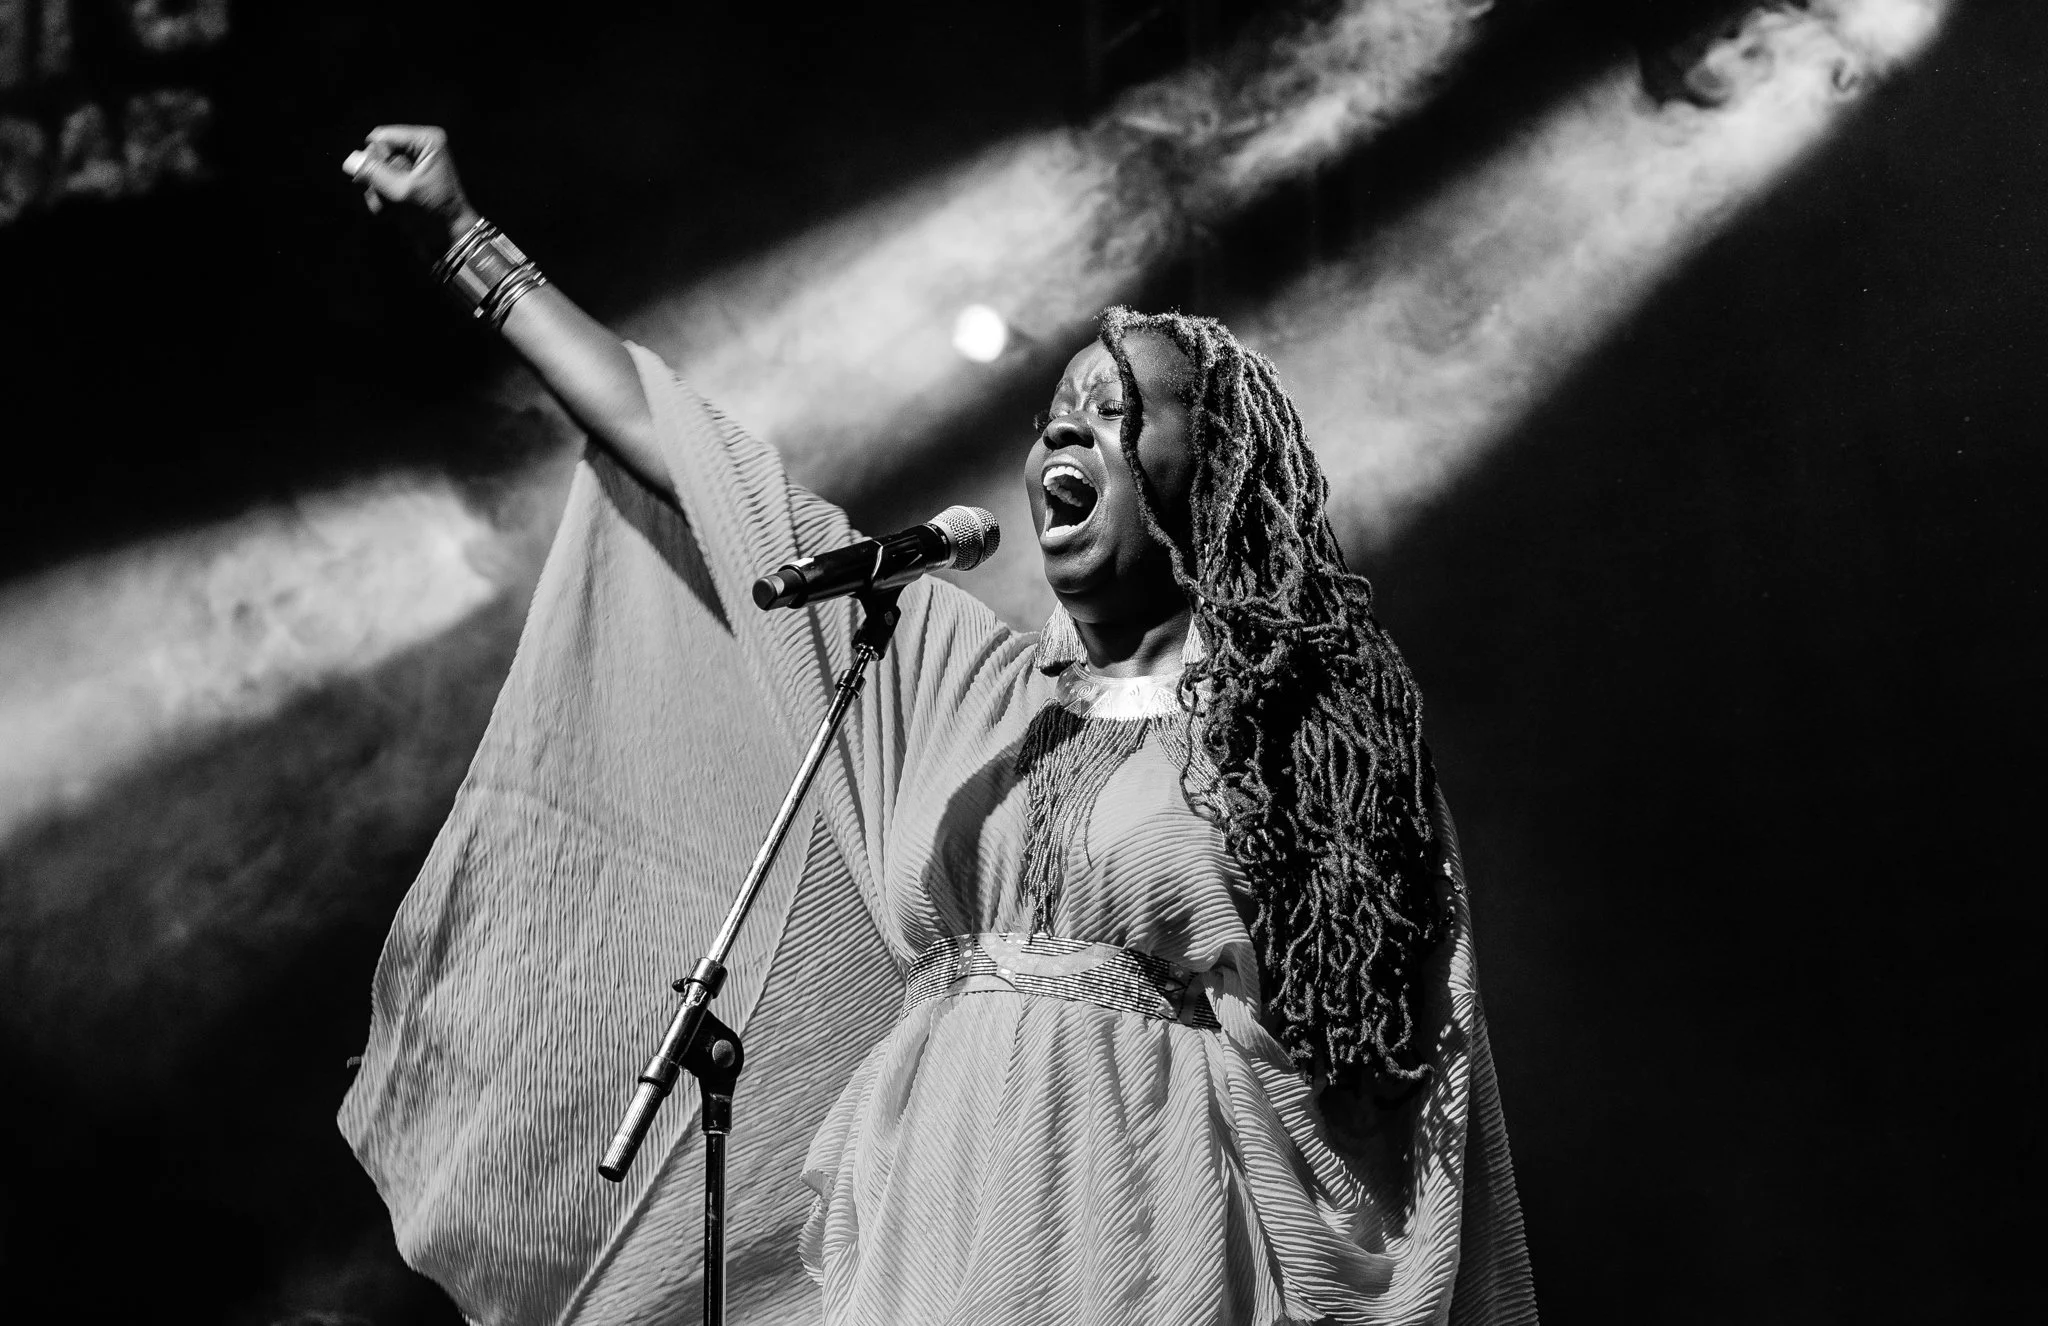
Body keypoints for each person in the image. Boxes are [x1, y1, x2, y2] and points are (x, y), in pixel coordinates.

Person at [339, 125, 1536, 1326]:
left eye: (1114, 412)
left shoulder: (1303, 735)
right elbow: (707, 477)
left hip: (1152, 1238)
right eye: (1050, 415)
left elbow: (1408, 1076)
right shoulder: (966, 687)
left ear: (1213, 468)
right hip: (932, 1221)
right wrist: (463, 242)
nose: (1061, 434)